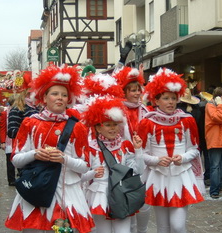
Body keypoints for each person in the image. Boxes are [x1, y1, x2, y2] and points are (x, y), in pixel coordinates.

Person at [5, 64, 95, 233]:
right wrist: (36, 154)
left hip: (68, 193)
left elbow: (85, 166)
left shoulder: (78, 127)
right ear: (44, 98)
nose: (60, 98)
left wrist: (63, 159)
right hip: (37, 189)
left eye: (64, 95)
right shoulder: (30, 123)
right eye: (54, 93)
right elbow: (16, 160)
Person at [138, 67, 204, 233]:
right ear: (156, 100)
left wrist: (182, 158)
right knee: (163, 227)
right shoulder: (147, 123)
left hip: (181, 177)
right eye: (165, 98)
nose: (170, 102)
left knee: (178, 226)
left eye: (173, 98)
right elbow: (140, 153)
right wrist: (156, 160)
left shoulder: (187, 121)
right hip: (158, 177)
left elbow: (194, 149)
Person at [81, 95, 144, 233]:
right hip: (99, 195)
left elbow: (138, 171)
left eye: (115, 124)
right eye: (107, 125)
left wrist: (138, 150)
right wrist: (92, 173)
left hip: (122, 193)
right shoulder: (90, 148)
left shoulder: (125, 145)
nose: (113, 128)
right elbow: (79, 176)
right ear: (98, 128)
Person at [113, 65, 151, 233]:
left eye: (138, 90)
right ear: (124, 91)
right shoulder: (117, 110)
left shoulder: (146, 110)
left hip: (144, 159)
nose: (137, 93)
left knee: (144, 202)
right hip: (124, 161)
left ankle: (142, 230)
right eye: (132, 90)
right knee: (128, 200)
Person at [0, 96, 17, 186]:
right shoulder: (4, 113)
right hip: (9, 139)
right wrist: (2, 142)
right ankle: (11, 180)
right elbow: (3, 128)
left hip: (18, 139)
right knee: (9, 160)